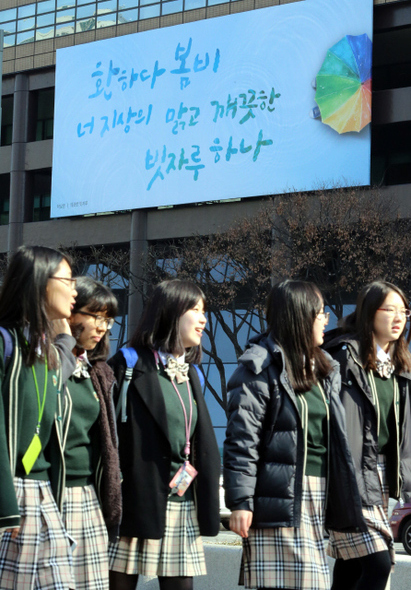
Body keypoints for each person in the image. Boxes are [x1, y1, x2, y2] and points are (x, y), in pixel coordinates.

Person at [224, 279, 366, 590]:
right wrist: (240, 502)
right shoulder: (259, 369)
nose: (326, 319)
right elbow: (242, 442)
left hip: (317, 494)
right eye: (321, 314)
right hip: (279, 496)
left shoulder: (324, 369)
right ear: (300, 317)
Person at [108, 279, 221, 590]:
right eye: (195, 310)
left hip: (180, 500)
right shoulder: (128, 364)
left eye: (204, 311)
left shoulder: (192, 373)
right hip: (136, 499)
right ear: (171, 312)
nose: (203, 319)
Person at [323, 280, 411, 590]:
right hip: (349, 476)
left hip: (382, 477)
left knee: (350, 566)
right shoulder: (345, 358)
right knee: (378, 562)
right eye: (390, 309)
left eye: (404, 311)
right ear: (369, 312)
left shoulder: (399, 367)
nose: (399, 317)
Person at [0, 245, 78, 590]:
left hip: (45, 492)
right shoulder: (6, 342)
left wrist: (65, 337)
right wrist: (4, 508)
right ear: (40, 282)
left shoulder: (41, 348)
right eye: (68, 280)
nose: (75, 289)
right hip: (11, 495)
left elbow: (60, 370)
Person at [58, 276, 121, 590]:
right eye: (95, 316)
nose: (102, 327)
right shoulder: (45, 362)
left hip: (89, 497)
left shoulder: (99, 371)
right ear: (70, 312)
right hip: (52, 492)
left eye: (107, 320)